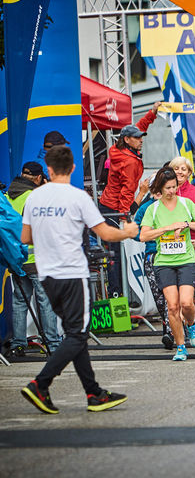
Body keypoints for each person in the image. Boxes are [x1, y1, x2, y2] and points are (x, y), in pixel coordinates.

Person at [20, 145, 136, 414]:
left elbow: (26, 238)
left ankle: (94, 393)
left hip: (47, 275)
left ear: (47, 170)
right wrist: (128, 231)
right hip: (72, 273)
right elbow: (106, 234)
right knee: (78, 334)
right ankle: (41, 383)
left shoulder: (34, 198)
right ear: (73, 167)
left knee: (76, 334)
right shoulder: (78, 197)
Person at [140, 167, 195, 361]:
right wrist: (165, 229)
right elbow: (143, 235)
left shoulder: (186, 204)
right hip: (164, 262)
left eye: (174, 187)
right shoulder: (153, 209)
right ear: (160, 189)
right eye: (168, 188)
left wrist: (186, 224)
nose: (172, 191)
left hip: (186, 259)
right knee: (172, 306)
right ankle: (181, 347)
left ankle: (191, 325)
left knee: (187, 303)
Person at [6, 162, 61, 358]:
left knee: (20, 301)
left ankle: (19, 343)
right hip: (38, 258)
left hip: (16, 258)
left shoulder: (8, 196)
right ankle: (53, 343)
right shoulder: (36, 197)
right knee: (45, 300)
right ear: (39, 178)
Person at [98, 124, 151, 296]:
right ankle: (117, 296)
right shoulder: (129, 161)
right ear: (127, 140)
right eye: (137, 138)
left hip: (107, 206)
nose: (141, 140)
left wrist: (152, 114)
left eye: (141, 137)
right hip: (114, 210)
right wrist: (125, 216)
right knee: (116, 256)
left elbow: (139, 127)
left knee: (115, 255)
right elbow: (127, 191)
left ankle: (118, 294)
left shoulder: (116, 149)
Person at [133, 177, 172, 349]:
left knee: (175, 298)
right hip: (153, 256)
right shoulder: (145, 208)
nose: (158, 192)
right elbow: (135, 232)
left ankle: (174, 331)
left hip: (176, 256)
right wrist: (152, 235)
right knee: (160, 298)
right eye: (155, 189)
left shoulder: (178, 204)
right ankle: (168, 327)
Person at [170, 156, 195, 264]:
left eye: (183, 169)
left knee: (189, 280)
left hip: (193, 243)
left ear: (189, 172)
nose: (179, 172)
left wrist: (186, 224)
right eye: (176, 168)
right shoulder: (164, 192)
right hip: (168, 243)